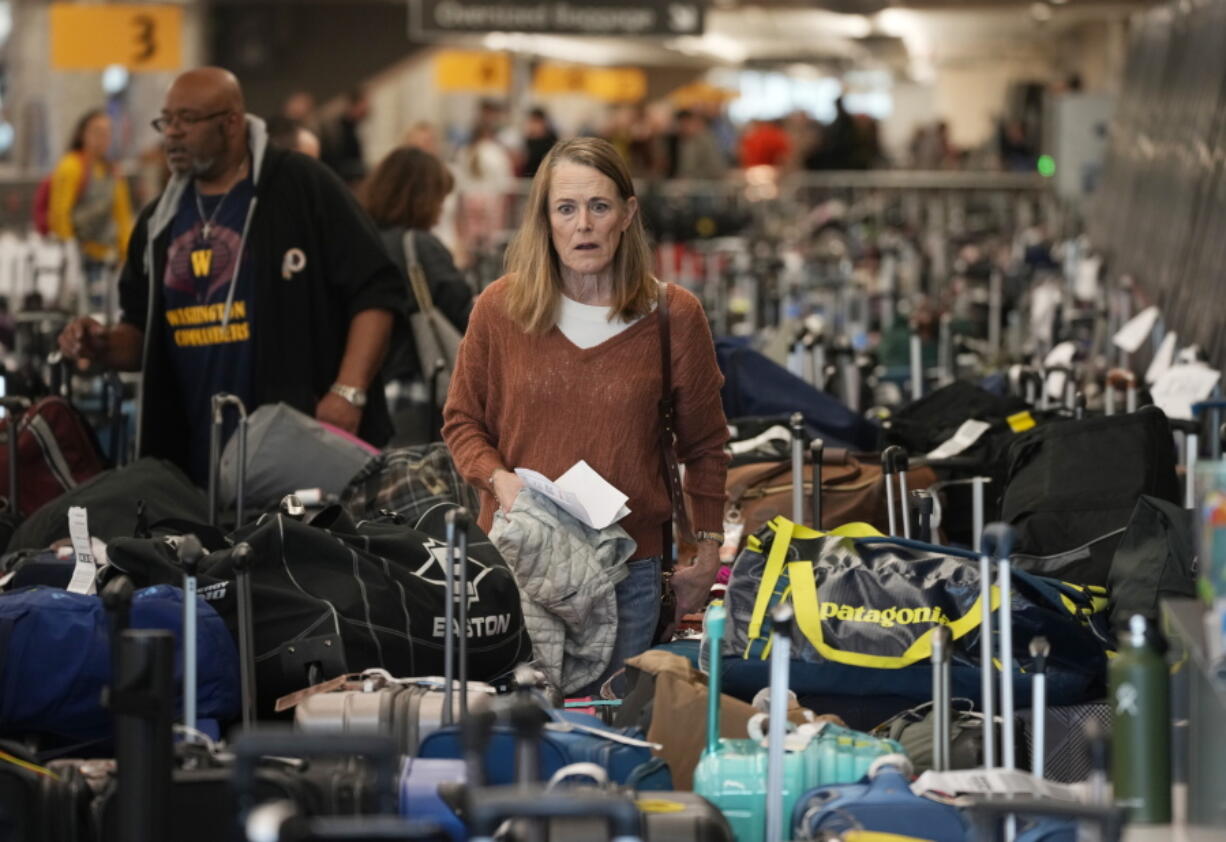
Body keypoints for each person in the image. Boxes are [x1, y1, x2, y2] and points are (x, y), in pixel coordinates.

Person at [443, 137, 728, 680]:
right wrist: (501, 482)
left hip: (628, 574)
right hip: (519, 562)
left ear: (627, 214)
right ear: (545, 219)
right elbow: (461, 422)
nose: (584, 225)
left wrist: (708, 549)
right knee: (520, 744)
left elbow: (706, 445)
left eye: (600, 206)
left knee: (614, 744)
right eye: (566, 209)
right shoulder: (500, 310)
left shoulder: (672, 316)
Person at [56, 67, 405, 486]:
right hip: (187, 462)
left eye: (188, 119)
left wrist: (348, 391)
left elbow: (377, 290)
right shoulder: (157, 223)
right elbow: (142, 336)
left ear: (232, 121)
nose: (173, 133)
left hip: (296, 449)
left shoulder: (300, 186)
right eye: (167, 120)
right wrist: (103, 344)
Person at [363, 146, 473, 385]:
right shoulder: (420, 246)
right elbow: (463, 312)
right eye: (440, 198)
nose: (442, 208)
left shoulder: (362, 239)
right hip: (413, 377)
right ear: (422, 198)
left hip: (367, 378)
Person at [48, 109, 134, 305]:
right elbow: (60, 211)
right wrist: (68, 248)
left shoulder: (112, 171)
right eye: (97, 131)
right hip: (80, 256)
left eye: (107, 132)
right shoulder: (71, 166)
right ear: (82, 134)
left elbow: (122, 216)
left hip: (107, 256)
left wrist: (126, 253)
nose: (102, 138)